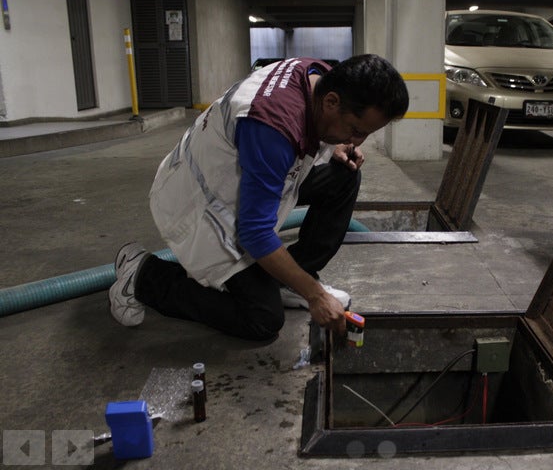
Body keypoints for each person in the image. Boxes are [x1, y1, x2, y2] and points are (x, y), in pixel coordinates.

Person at [108, 54, 409, 340]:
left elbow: (302, 139)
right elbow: (254, 233)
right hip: (203, 203)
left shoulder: (316, 77)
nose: (356, 141)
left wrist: (334, 147)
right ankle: (144, 276)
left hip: (247, 182)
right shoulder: (272, 127)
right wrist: (315, 295)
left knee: (344, 176)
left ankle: (290, 276)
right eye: (355, 130)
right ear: (331, 102)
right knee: (262, 318)